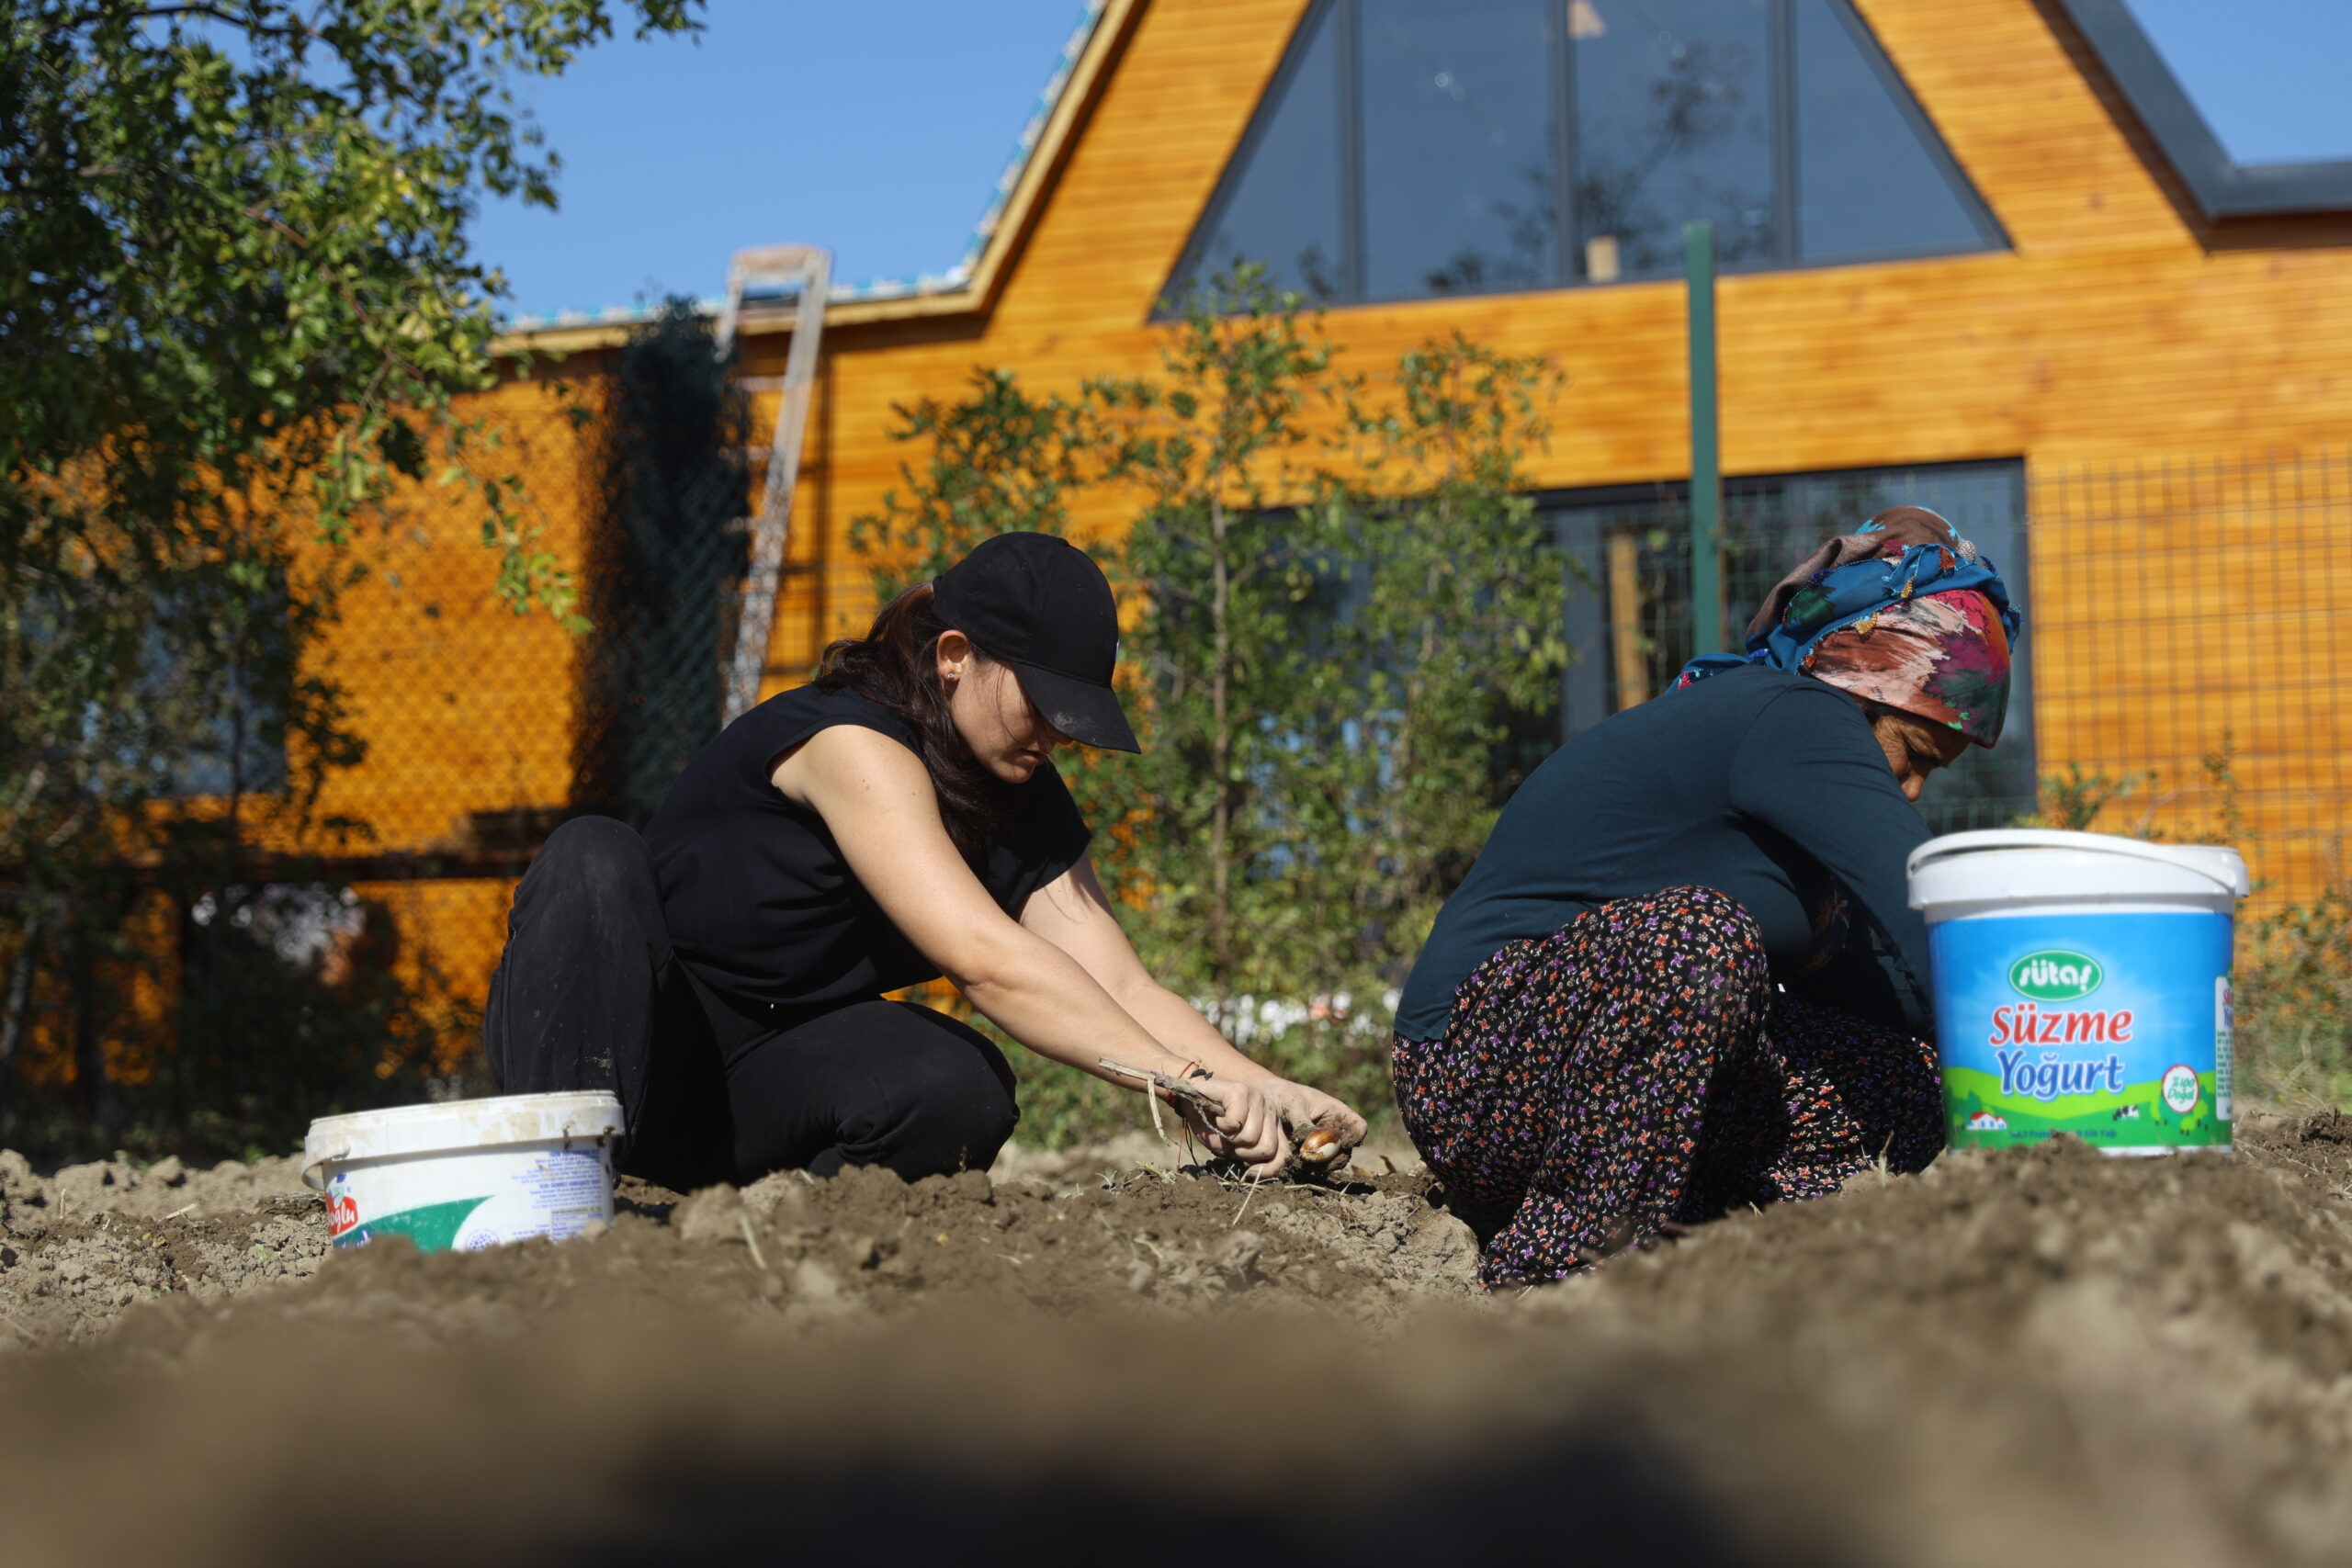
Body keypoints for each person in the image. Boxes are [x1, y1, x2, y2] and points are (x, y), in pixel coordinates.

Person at [486, 532, 1366, 1191]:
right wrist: (1183, 1084)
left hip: (756, 1094)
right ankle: (551, 1207)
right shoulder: (849, 741)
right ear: (954, 658)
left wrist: (1260, 1087)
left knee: (956, 1086)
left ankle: (757, 1272)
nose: (1058, 734)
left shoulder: (1016, 790)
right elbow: (983, 958)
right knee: (592, 855)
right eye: (1044, 703)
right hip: (635, 1051)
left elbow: (1125, 989)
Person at [1391, 506, 2021, 1287]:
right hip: (1474, 1069)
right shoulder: (1795, 717)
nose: (1915, 788)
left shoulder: (1795, 818)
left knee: (1912, 1082)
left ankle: (1698, 1224)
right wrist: (2051, 1053)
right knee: (1698, 944)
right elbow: (1932, 918)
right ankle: (1561, 1267)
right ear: (1859, 687)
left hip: (1612, 1096)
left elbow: (1896, 993)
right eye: (1914, 752)